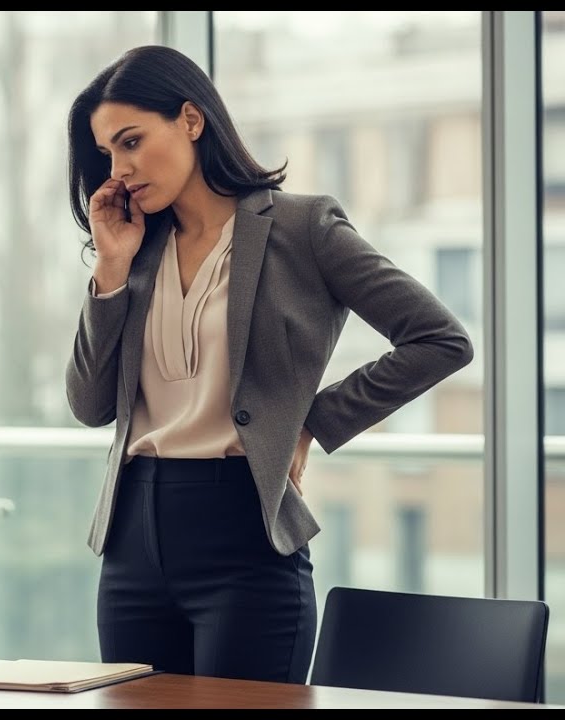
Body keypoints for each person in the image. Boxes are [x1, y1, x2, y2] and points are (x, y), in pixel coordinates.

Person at [64, 46, 473, 683]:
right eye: (108, 153)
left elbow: (439, 338)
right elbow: (89, 405)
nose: (119, 169)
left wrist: (309, 422)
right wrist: (110, 271)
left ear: (192, 121)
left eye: (132, 141)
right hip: (131, 547)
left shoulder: (303, 228)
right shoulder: (134, 247)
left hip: (245, 542)